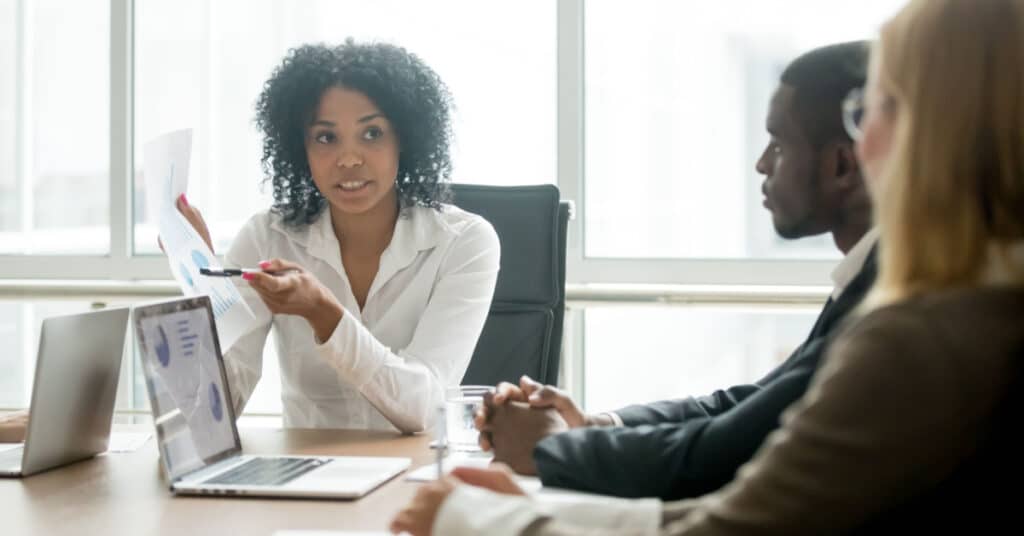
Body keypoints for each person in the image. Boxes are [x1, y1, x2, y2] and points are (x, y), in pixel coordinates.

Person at [391, 0, 1024, 533]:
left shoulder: (929, 331)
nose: (865, 142)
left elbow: (733, 511)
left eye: (874, 107)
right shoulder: (967, 301)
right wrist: (570, 461)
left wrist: (484, 517)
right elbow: (765, 450)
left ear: (936, 129)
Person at [475, 41, 875, 500]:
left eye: (779, 143)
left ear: (842, 164)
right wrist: (596, 424)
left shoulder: (887, 298)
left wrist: (556, 448)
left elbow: (724, 454)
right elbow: (750, 406)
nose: (762, 163)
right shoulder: (867, 276)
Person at [175, 41, 500, 433]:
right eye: (326, 138)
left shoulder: (463, 242)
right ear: (301, 148)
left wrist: (325, 314)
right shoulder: (267, 237)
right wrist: (204, 282)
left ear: (405, 139)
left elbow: (423, 407)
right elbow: (212, 412)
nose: (348, 159)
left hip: (417, 477)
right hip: (305, 477)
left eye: (372, 133)